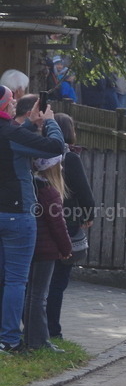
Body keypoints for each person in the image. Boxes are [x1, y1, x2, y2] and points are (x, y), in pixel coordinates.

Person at [0, 86, 65, 354]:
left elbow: (18, 140)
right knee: (16, 280)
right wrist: (49, 122)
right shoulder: (10, 133)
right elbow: (54, 147)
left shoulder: (13, 131)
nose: (14, 103)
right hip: (16, 214)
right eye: (10, 100)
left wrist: (29, 122)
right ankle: (9, 339)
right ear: (3, 106)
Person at [45, 113, 94, 342]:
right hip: (66, 223)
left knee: (36, 283)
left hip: (39, 222)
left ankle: (32, 329)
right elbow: (85, 194)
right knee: (57, 282)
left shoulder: (39, 152)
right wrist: (88, 214)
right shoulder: (69, 158)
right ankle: (52, 330)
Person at [25, 154, 71, 351]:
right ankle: (40, 341)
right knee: (39, 297)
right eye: (58, 165)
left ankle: (30, 337)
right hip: (46, 251)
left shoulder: (31, 186)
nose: (61, 169)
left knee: (30, 295)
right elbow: (58, 225)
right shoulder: (50, 191)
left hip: (30, 247)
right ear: (52, 168)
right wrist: (66, 248)